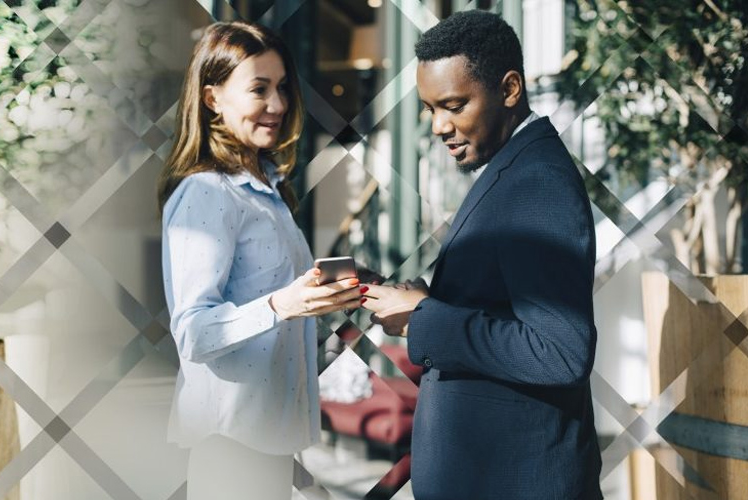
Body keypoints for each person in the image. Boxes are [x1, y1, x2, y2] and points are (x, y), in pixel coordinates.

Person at [362, 10, 603, 500]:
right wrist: (426, 303)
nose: (437, 126)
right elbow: (504, 307)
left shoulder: (537, 183)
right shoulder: (512, 169)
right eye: (430, 109)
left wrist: (424, 319)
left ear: (510, 89)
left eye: (453, 105)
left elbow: (560, 352)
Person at [157, 21, 366, 500]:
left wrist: (328, 289)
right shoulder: (207, 192)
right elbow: (192, 331)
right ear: (213, 99)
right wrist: (283, 305)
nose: (277, 104)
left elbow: (274, 297)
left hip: (268, 442)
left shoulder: (267, 190)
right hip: (231, 444)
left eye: (282, 88)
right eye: (259, 89)